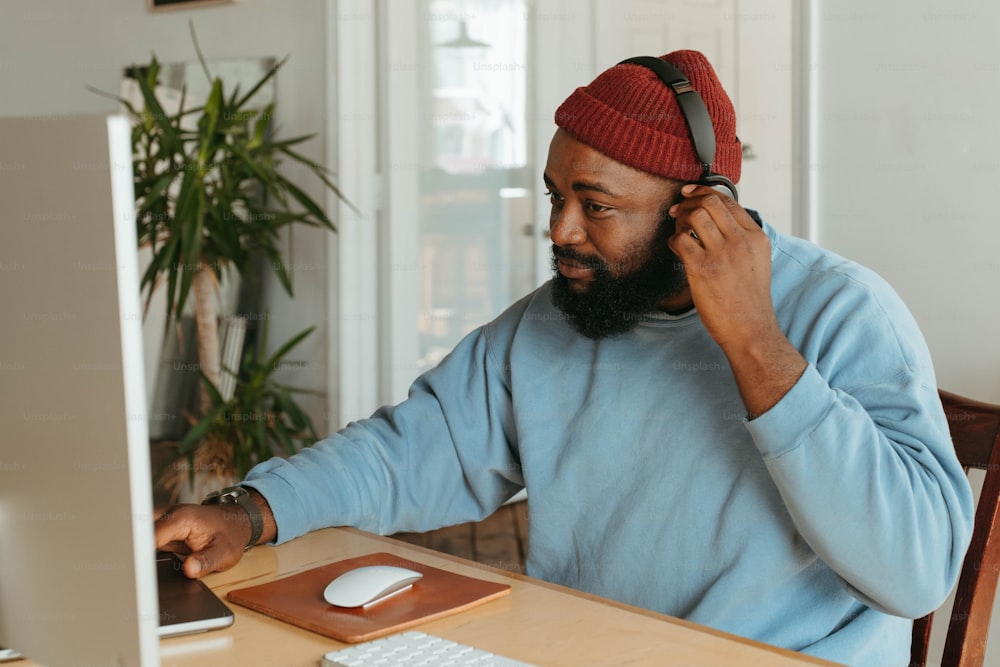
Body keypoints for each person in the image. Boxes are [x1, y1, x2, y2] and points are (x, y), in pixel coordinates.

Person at [156, 50, 974, 666]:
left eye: (597, 206)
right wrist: (253, 509)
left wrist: (755, 343)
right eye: (555, 196)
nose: (560, 232)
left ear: (704, 208)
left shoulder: (845, 312)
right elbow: (408, 449)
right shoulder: (553, 323)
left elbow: (916, 571)